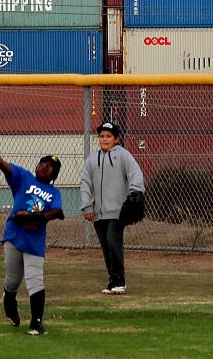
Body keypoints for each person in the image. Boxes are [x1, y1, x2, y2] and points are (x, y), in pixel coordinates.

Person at [0, 118, 64, 336]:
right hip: (14, 235)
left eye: (50, 166)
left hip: (34, 240)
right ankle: (8, 298)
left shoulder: (54, 193)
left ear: (54, 175)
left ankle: (36, 323)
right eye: (43, 163)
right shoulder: (23, 177)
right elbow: (1, 163)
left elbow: (58, 212)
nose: (45, 166)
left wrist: (39, 217)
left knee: (34, 280)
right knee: (13, 280)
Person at [80, 121, 144, 295]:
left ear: (117, 139)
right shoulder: (92, 159)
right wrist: (87, 206)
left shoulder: (123, 155)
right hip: (99, 213)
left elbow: (135, 173)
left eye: (109, 136)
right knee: (106, 246)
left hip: (118, 211)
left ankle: (119, 280)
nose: (105, 139)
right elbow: (85, 182)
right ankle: (113, 280)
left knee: (112, 240)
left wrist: (135, 192)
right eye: (102, 136)